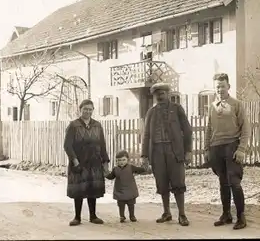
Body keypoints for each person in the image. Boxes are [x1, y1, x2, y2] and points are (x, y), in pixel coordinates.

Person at [141, 83, 193, 226]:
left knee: (178, 182)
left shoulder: (176, 109)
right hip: (157, 152)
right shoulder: (151, 112)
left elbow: (187, 131)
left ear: (168, 94)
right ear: (154, 96)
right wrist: (144, 155)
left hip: (174, 151)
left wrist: (188, 151)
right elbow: (146, 135)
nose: (160, 96)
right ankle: (166, 212)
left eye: (162, 93)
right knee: (162, 183)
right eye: (157, 94)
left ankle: (182, 214)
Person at [204, 73, 251, 230]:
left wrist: (241, 149)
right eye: (217, 86)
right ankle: (226, 215)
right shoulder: (212, 106)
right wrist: (206, 149)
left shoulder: (237, 104)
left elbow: (245, 128)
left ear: (228, 86)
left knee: (234, 183)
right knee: (223, 182)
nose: (220, 89)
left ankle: (241, 217)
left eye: (222, 86)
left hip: (232, 146)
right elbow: (208, 129)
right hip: (216, 148)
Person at [64, 99, 110, 226]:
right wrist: (75, 161)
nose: (87, 111)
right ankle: (77, 217)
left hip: (94, 163)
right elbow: (67, 146)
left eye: (90, 109)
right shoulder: (73, 125)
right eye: (85, 109)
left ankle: (93, 216)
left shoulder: (97, 125)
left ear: (93, 110)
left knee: (92, 188)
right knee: (79, 189)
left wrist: (105, 162)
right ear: (80, 109)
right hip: (79, 162)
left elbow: (102, 145)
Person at [106, 150, 146, 223]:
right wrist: (105, 173)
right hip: (120, 191)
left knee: (131, 204)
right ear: (116, 161)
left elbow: (140, 170)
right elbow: (111, 177)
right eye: (119, 160)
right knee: (121, 204)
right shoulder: (115, 169)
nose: (121, 162)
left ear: (128, 159)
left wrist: (144, 165)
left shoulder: (131, 167)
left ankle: (132, 216)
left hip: (130, 190)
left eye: (124, 160)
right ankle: (122, 216)